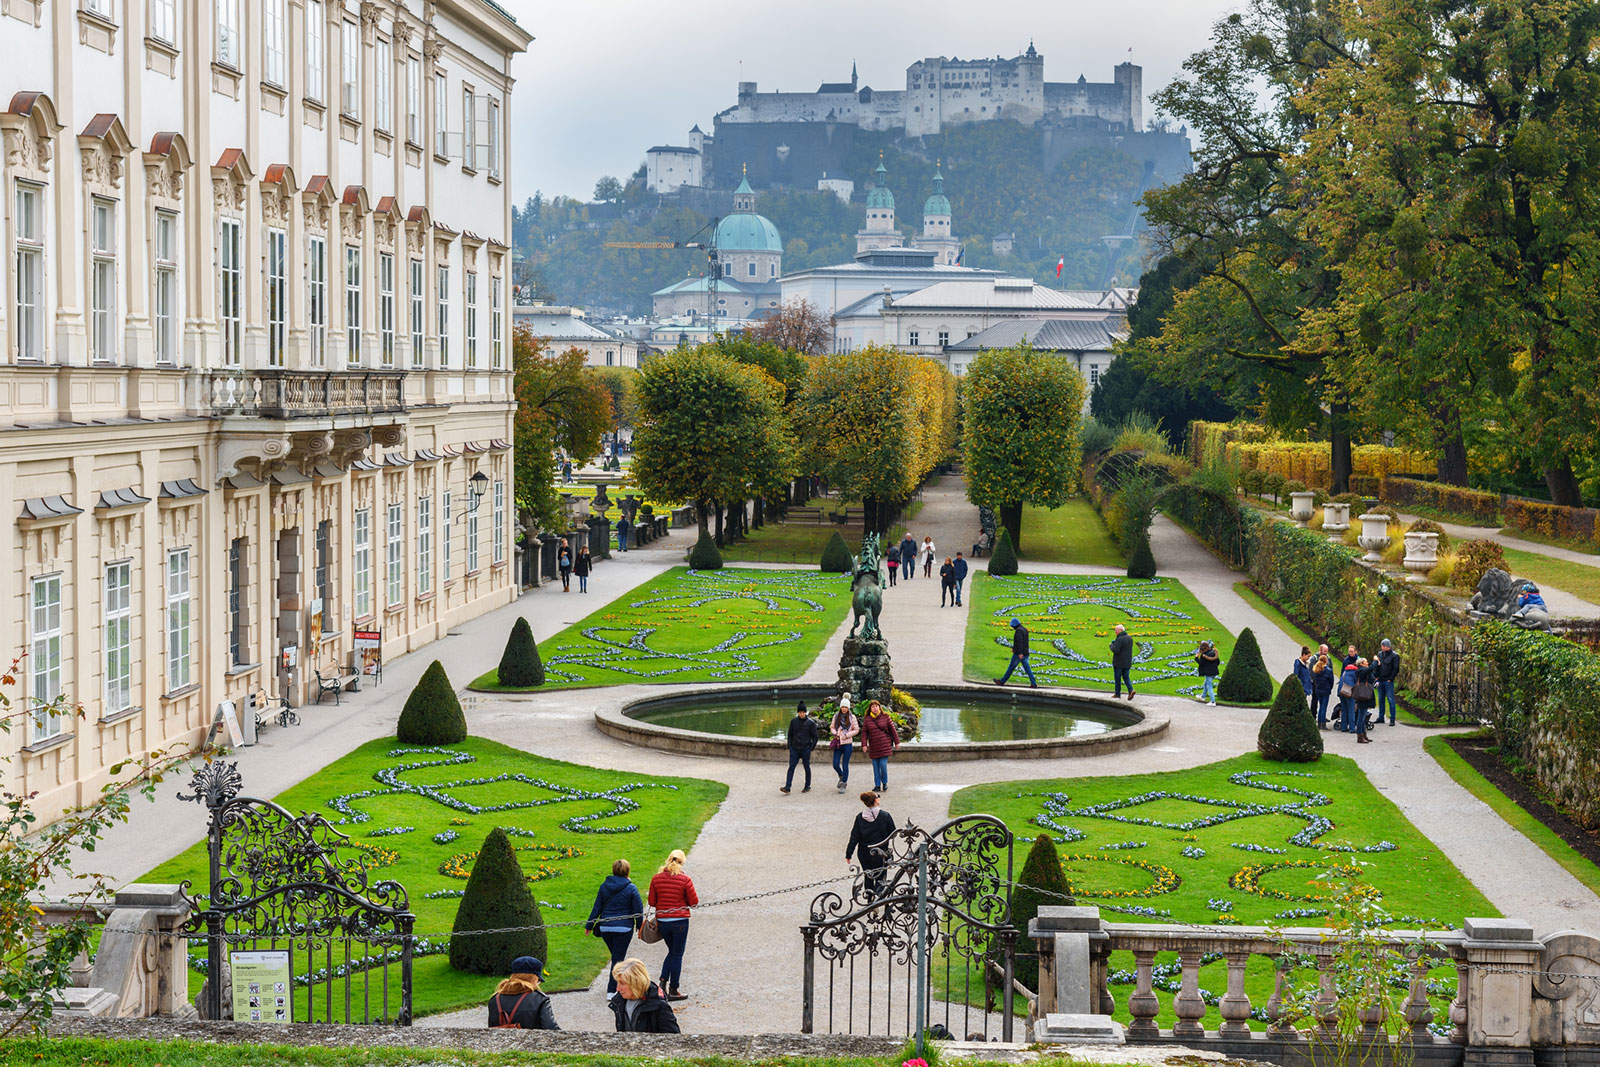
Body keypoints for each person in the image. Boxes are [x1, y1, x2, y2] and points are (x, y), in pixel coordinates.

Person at [586, 859, 645, 998]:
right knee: (618, 959)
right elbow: (638, 909)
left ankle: (618, 986)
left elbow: (597, 907)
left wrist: (589, 925)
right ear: (628, 871)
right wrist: (639, 925)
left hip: (606, 928)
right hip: (623, 929)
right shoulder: (631, 888)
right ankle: (612, 990)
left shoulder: (604, 886)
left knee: (616, 957)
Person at [647, 850, 697, 1002]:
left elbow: (652, 902)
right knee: (677, 954)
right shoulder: (685, 879)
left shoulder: (656, 879)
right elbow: (693, 901)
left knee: (673, 952)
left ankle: (662, 982)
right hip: (679, 921)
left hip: (663, 921)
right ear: (682, 863)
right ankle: (673, 988)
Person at [845, 791, 897, 897]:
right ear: (876, 800)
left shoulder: (860, 817)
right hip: (880, 851)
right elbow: (893, 833)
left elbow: (854, 837)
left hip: (864, 852)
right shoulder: (885, 815)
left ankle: (869, 900)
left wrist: (848, 854)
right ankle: (877, 900)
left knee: (868, 875)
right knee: (880, 876)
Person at [487, 955, 560, 1030]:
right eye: (538, 980)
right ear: (533, 979)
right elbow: (551, 1028)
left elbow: (491, 1029)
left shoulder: (495, 999)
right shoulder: (540, 999)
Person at [609, 958, 680, 1032]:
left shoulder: (659, 1005)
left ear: (636, 983)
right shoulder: (619, 1002)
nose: (617, 989)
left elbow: (674, 1037)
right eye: (617, 982)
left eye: (622, 983)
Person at [860, 700, 899, 792]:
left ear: (879, 707)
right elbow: (864, 733)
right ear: (870, 709)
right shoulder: (867, 719)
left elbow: (893, 730)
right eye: (873, 706)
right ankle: (877, 785)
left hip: (884, 745)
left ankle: (884, 783)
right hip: (874, 746)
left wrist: (897, 742)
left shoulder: (886, 717)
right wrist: (864, 744)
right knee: (875, 767)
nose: (875, 708)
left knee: (882, 765)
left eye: (876, 706)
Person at [781, 701, 819, 794]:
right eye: (800, 712)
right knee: (791, 767)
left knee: (806, 767)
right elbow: (789, 735)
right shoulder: (793, 722)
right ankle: (788, 786)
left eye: (803, 712)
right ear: (798, 712)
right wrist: (789, 746)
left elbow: (815, 737)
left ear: (805, 712)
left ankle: (807, 785)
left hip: (805, 749)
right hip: (794, 748)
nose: (801, 714)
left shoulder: (811, 723)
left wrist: (811, 748)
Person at [995, 618, 1037, 687]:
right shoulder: (1024, 629)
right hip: (1025, 653)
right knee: (1028, 669)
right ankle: (1033, 683)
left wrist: (1019, 653)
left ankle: (1002, 681)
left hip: (1019, 654)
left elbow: (1019, 641)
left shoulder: (1018, 631)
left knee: (1011, 667)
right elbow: (1024, 642)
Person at [829, 696, 859, 792]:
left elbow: (856, 730)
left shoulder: (852, 717)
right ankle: (841, 775)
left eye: (846, 707)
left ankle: (844, 784)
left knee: (845, 764)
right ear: (840, 707)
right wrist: (835, 733)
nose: (844, 709)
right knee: (835, 764)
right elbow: (832, 727)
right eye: (843, 707)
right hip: (838, 743)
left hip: (847, 744)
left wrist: (847, 735)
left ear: (848, 708)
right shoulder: (836, 716)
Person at [1373, 638, 1400, 726]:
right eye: (1382, 646)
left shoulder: (1394, 656)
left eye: (1384, 646)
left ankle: (1392, 718)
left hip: (1388, 680)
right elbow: (1377, 665)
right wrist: (1376, 676)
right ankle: (1381, 717)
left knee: (1390, 699)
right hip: (1380, 679)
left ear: (1388, 646)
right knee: (1381, 699)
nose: (1382, 648)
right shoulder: (1380, 654)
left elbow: (1396, 668)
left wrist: (1391, 678)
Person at [1352, 657, 1375, 743]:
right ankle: (1360, 736)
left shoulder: (1362, 671)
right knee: (1361, 717)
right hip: (1362, 696)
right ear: (1361, 664)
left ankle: (1363, 734)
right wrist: (1375, 661)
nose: (1367, 663)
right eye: (1365, 662)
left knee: (1363, 716)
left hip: (1363, 695)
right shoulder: (1361, 671)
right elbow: (1371, 668)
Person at [1109, 624, 1135, 699]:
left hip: (1119, 663)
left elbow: (1115, 650)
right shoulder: (1129, 638)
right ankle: (1131, 690)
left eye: (1116, 631)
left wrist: (1111, 645)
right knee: (1126, 677)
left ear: (1120, 630)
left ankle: (1117, 694)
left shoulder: (1120, 639)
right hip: (1127, 662)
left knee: (1117, 678)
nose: (1115, 632)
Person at [1310, 653, 1335, 729]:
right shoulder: (1328, 670)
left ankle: (1319, 724)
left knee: (1321, 706)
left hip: (1318, 689)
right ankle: (1323, 724)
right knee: (1324, 707)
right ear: (1326, 661)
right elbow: (1331, 681)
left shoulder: (1316, 669)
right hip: (1325, 690)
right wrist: (1330, 688)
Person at [1336, 657, 1358, 732]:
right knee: (1351, 709)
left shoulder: (1345, 671)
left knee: (1344, 709)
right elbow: (1356, 683)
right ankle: (1352, 728)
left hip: (1341, 691)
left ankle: (1343, 727)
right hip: (1349, 692)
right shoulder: (1355, 672)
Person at [1195, 640, 1220, 706]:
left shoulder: (1204, 655)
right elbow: (1218, 661)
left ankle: (1213, 701)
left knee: (1209, 686)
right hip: (1214, 672)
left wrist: (1196, 658)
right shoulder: (1213, 652)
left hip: (1209, 673)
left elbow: (1201, 663)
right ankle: (1203, 697)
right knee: (1206, 684)